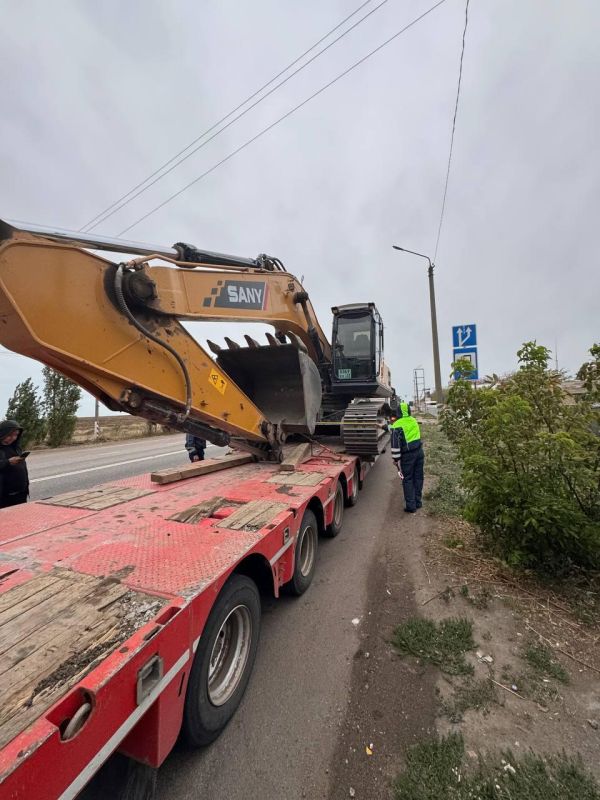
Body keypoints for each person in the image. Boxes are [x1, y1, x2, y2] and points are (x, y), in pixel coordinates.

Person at [389, 402, 424, 513]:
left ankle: (410, 506)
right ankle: (418, 503)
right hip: (419, 453)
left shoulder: (397, 425)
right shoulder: (413, 420)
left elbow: (395, 446)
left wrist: (396, 459)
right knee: (418, 478)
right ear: (408, 411)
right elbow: (403, 430)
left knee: (407, 479)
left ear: (398, 412)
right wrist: (384, 426)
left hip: (408, 456)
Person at [0, 419, 30, 509]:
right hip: (4, 497)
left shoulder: (16, 447)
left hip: (21, 493)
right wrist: (8, 462)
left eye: (16, 435)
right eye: (10, 435)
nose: (13, 438)